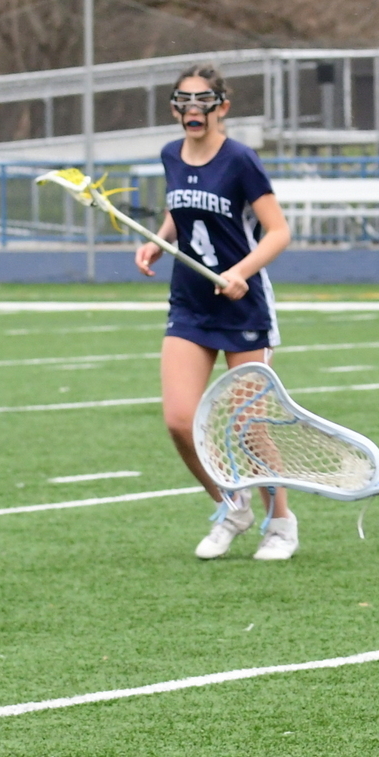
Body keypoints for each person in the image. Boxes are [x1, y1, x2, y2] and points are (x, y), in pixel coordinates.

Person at [135, 63, 295, 562]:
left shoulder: (241, 160)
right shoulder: (170, 154)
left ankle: (281, 523)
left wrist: (241, 271)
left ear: (221, 107)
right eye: (183, 100)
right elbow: (180, 209)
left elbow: (278, 231)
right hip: (190, 303)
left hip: (242, 305)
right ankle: (231, 504)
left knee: (248, 425)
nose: (191, 109)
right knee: (180, 421)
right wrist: (159, 240)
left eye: (201, 100)